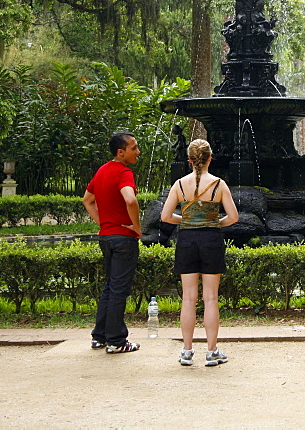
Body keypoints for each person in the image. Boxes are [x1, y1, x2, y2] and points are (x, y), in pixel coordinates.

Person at [161, 139, 239, 367]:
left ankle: (186, 351)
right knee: (211, 298)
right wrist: (213, 223)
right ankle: (212, 352)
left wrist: (185, 220)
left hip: (186, 240)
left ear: (189, 160)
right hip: (211, 240)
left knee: (188, 298)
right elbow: (233, 217)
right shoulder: (218, 184)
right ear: (210, 159)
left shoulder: (179, 184)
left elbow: (165, 216)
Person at [83, 131, 143, 354]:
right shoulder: (123, 172)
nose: (138, 152)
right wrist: (136, 227)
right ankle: (117, 341)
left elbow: (87, 200)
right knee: (119, 290)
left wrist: (105, 223)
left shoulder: (102, 171)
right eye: (134, 148)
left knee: (110, 287)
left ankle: (100, 337)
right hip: (123, 239)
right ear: (121, 152)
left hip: (106, 237)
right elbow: (130, 198)